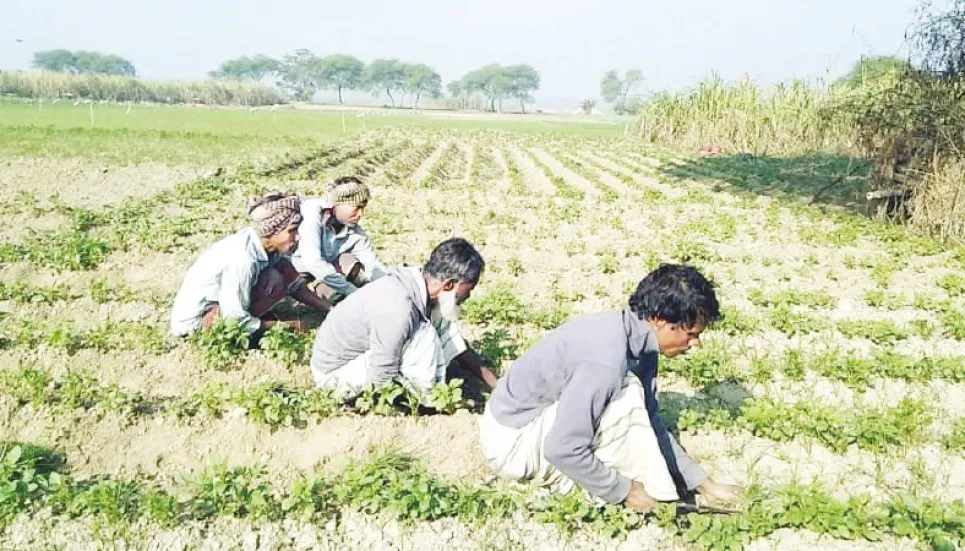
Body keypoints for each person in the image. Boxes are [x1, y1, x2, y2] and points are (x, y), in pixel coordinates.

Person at [478, 264, 741, 512]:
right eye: (691, 334)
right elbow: (562, 447)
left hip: (533, 423)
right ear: (660, 321)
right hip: (510, 442)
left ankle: (658, 490)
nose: (696, 343)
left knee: (631, 403)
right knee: (626, 400)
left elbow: (651, 422)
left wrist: (704, 483)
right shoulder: (606, 358)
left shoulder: (638, 342)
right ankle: (638, 494)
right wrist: (623, 491)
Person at [309, 237, 499, 397]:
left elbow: (452, 337)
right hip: (334, 376)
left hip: (364, 357)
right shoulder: (399, 309)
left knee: (433, 326)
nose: (466, 298)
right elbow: (382, 374)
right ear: (448, 285)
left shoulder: (422, 286)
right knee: (425, 338)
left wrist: (493, 383)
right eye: (466, 292)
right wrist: (436, 405)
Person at [169, 192, 331, 337]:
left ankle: (258, 320)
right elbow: (234, 318)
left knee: (283, 268)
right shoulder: (242, 261)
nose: (297, 237)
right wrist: (285, 326)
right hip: (196, 322)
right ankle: (254, 330)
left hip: (223, 304)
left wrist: (329, 309)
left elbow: (294, 284)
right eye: (292, 231)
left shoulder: (263, 244)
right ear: (271, 231)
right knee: (272, 279)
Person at [291, 176, 386, 305]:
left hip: (326, 269)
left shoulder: (355, 232)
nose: (360, 214)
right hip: (296, 273)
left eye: (363, 208)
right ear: (338, 204)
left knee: (350, 261)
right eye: (356, 207)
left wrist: (389, 286)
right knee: (337, 299)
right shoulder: (312, 213)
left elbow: (372, 264)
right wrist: (351, 291)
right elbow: (312, 261)